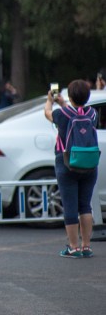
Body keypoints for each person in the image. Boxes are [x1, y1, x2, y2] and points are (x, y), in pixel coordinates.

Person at [45, 79, 99, 258]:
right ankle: (86, 246)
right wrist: (64, 102)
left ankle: (73, 247)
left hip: (67, 161)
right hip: (89, 162)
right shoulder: (92, 113)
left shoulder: (62, 114)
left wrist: (50, 101)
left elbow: (48, 114)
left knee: (70, 205)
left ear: (70, 96)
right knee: (85, 205)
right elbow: (78, 111)